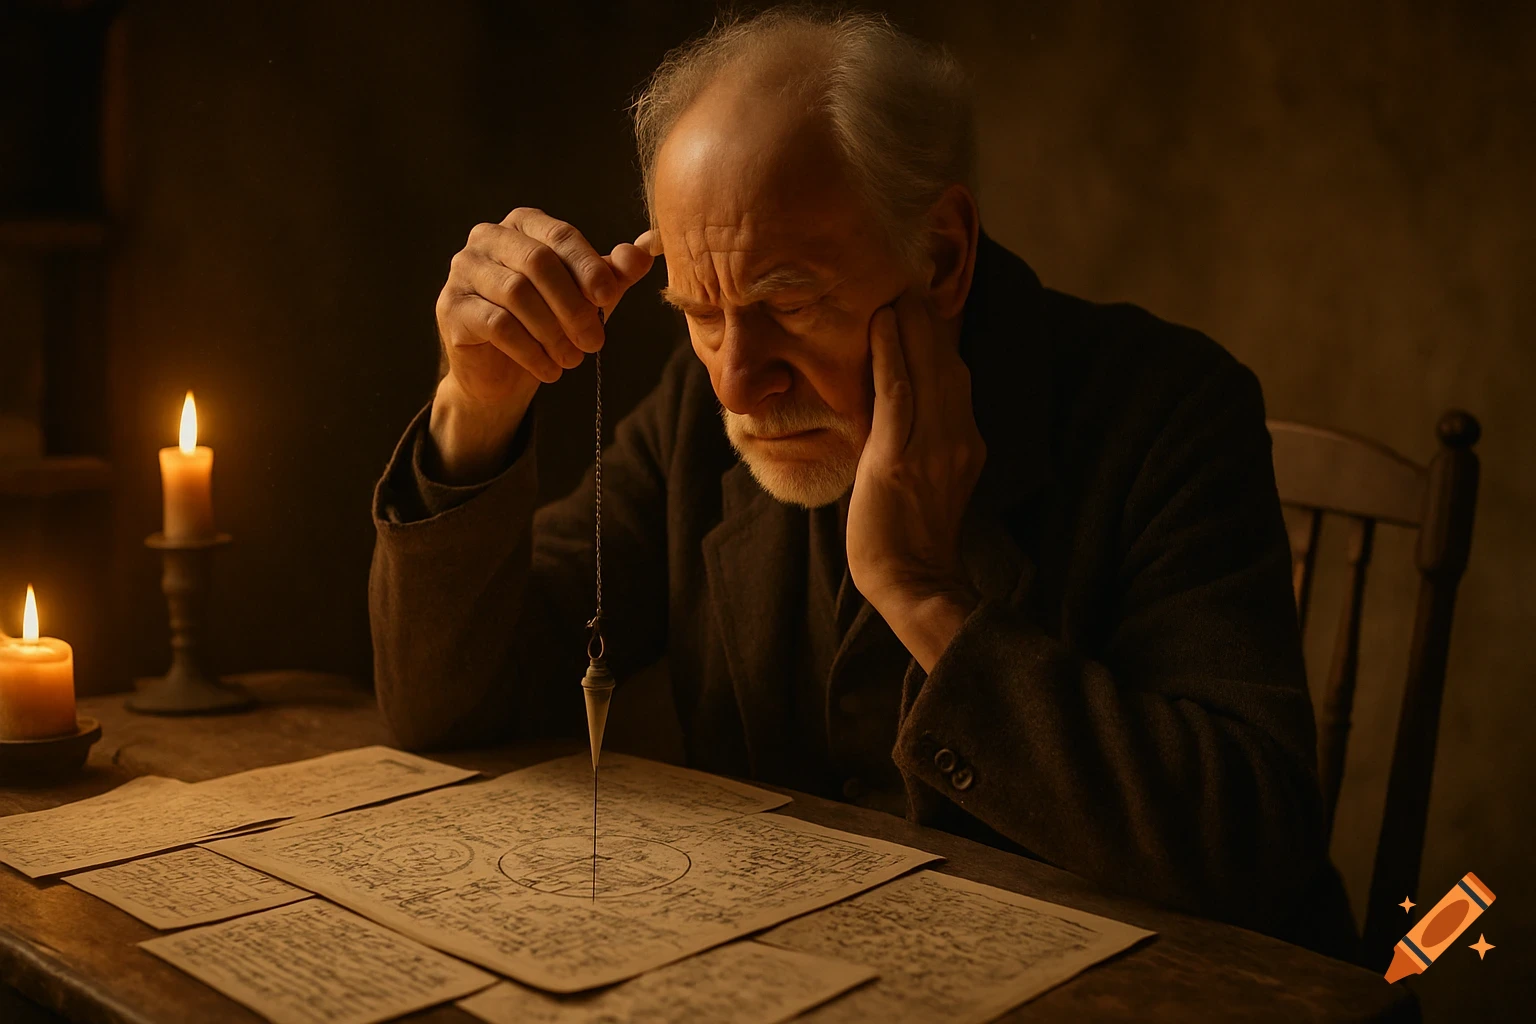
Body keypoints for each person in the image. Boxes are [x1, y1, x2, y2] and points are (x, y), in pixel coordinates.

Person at [369, 6, 1357, 960]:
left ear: (941, 256)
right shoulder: (695, 406)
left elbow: (1257, 853)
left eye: (786, 301)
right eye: (701, 313)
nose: (737, 380)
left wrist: (924, 594)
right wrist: (476, 402)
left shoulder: (1170, 411)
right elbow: (455, 709)